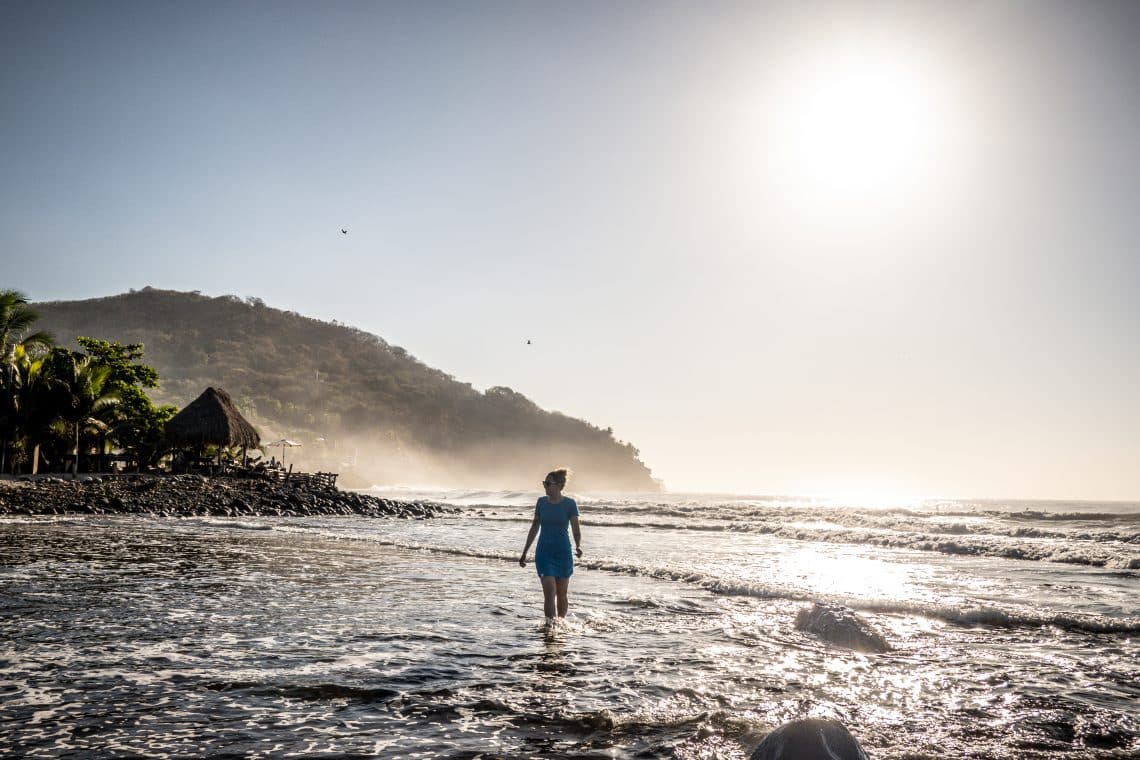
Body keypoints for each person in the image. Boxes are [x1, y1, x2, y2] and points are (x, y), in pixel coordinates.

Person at [519, 468, 583, 624]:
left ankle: (561, 624)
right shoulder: (541, 502)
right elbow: (534, 526)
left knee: (562, 594)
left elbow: (576, 528)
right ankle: (550, 626)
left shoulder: (570, 504)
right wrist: (525, 552)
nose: (545, 486)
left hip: (563, 553)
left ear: (559, 485)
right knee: (550, 593)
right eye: (544, 483)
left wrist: (578, 546)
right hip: (544, 553)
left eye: (548, 483)